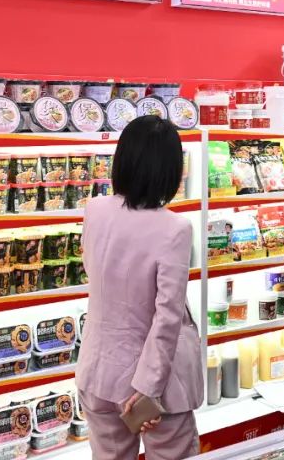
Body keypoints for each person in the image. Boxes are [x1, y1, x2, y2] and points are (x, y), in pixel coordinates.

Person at [76, 115, 203, 459]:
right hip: (153, 385)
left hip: (98, 371)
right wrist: (148, 386)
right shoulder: (174, 228)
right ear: (171, 170)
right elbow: (167, 317)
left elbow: (95, 273)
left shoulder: (95, 209)